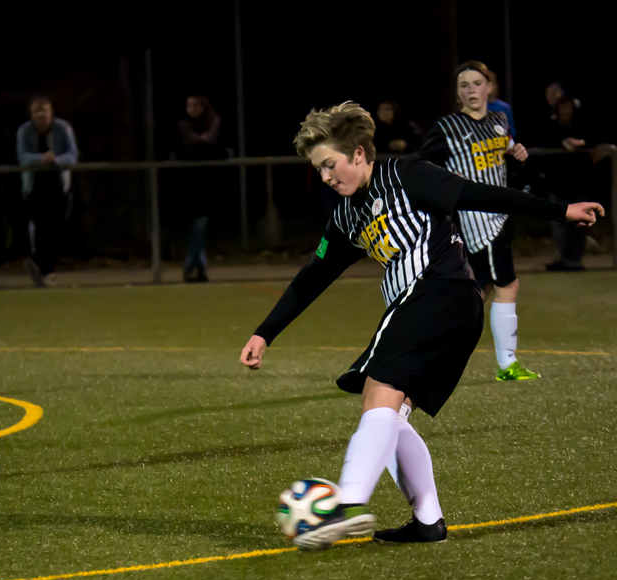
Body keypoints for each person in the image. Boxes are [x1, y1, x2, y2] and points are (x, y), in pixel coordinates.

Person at [239, 101, 601, 549]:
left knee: (379, 394)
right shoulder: (346, 217)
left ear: (357, 153)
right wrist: (264, 332)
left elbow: (477, 194)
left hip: (436, 292)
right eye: (319, 171)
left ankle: (347, 502)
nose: (327, 177)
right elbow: (312, 278)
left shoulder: (407, 175)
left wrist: (560, 210)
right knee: (391, 417)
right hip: (443, 305)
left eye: (330, 165)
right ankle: (428, 521)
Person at [420, 61, 537, 382]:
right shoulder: (448, 127)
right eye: (464, 85)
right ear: (458, 92)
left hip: (500, 216)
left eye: (477, 83)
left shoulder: (499, 121)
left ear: (489, 87)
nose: (471, 90)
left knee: (474, 294)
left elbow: (504, 152)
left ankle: (428, 357)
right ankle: (507, 365)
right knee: (506, 285)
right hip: (478, 222)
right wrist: (447, 178)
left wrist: (518, 154)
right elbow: (421, 165)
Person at [16, 95, 78, 287]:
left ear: (51, 112)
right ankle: (47, 271)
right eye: (36, 111)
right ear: (31, 114)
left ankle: (37, 261)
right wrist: (41, 159)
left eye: (44, 111)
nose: (41, 115)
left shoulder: (63, 128)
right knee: (41, 226)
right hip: (35, 184)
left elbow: (72, 155)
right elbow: (23, 157)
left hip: (58, 182)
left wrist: (56, 161)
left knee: (59, 224)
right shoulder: (25, 131)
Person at [542, 96, 594, 271]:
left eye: (568, 107)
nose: (565, 111)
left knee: (579, 225)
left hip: (579, 184)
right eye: (562, 108)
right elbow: (546, 139)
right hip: (558, 185)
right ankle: (565, 259)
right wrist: (564, 142)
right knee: (559, 226)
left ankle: (575, 260)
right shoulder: (552, 127)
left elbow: (595, 137)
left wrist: (581, 142)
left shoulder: (582, 126)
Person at [176, 94, 224, 283]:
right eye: (188, 105)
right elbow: (189, 142)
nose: (192, 108)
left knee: (200, 224)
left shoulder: (214, 120)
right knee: (196, 226)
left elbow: (212, 141)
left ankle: (191, 266)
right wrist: (201, 141)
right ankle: (199, 267)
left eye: (195, 105)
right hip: (188, 180)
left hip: (207, 180)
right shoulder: (182, 123)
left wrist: (203, 141)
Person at [487, 71, 517, 138]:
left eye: (492, 83)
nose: (489, 87)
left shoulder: (505, 107)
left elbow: (512, 131)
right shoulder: (479, 108)